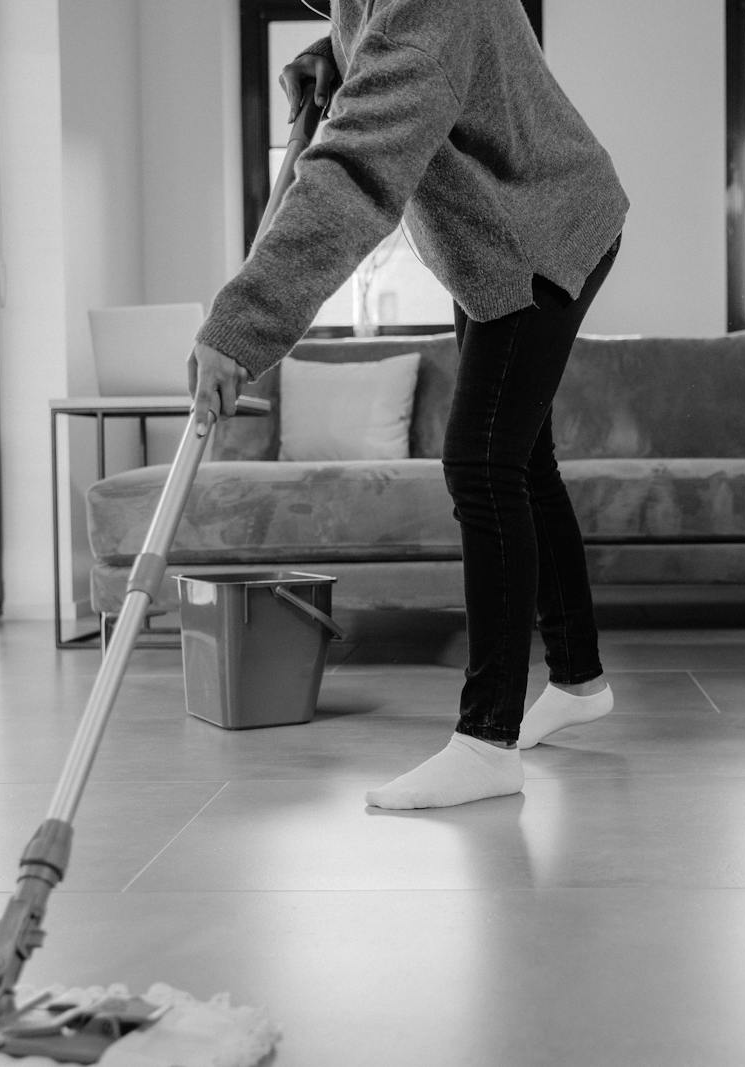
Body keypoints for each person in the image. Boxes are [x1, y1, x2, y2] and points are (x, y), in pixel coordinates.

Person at [188, 0, 627, 810]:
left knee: (483, 463)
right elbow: (395, 46)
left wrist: (241, 325)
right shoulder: (377, 4)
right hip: (500, 241)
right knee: (523, 459)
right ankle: (578, 677)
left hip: (541, 230)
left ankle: (487, 742)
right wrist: (335, 53)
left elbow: (355, 170)